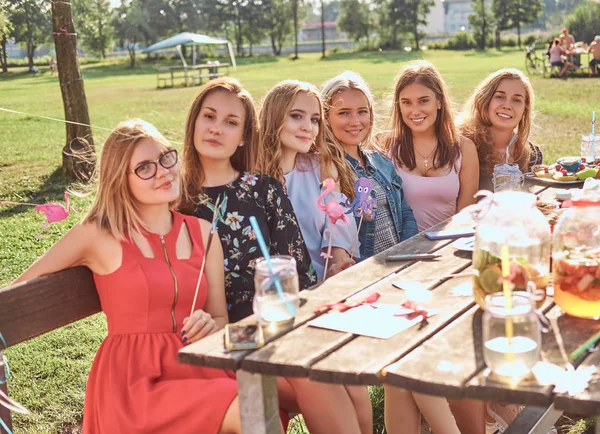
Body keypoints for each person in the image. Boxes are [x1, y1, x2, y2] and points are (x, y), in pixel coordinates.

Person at [13, 119, 248, 433]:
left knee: (262, 398)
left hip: (197, 368)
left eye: (166, 157)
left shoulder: (204, 234)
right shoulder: (98, 235)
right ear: (119, 179)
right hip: (134, 386)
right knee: (248, 408)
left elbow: (220, 318)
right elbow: (16, 293)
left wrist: (211, 324)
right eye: (145, 168)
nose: (163, 171)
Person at [178, 77, 372, 434]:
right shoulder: (176, 199)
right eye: (209, 117)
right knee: (316, 377)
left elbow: (299, 273)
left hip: (278, 323)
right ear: (194, 122)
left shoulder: (263, 190)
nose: (217, 129)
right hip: (223, 336)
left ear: (244, 135)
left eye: (231, 122)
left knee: (347, 377)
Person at [257, 79, 358, 280]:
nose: (308, 127)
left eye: (314, 120)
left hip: (325, 284)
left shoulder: (321, 165)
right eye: (296, 116)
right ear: (274, 117)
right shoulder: (253, 179)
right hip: (280, 290)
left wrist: (338, 261)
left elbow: (337, 222)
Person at [321, 71, 418, 260]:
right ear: (326, 117)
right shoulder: (327, 170)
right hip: (365, 276)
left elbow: (405, 213)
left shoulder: (381, 162)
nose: (355, 122)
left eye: (362, 111)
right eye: (344, 113)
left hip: (401, 265)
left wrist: (409, 251)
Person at [382, 60, 479, 232]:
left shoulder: (464, 148)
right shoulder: (384, 146)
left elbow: (466, 218)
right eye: (406, 102)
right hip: (398, 250)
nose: (415, 111)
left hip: (446, 247)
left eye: (423, 101)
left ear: (439, 102)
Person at [458, 68, 543, 192]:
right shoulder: (460, 146)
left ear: (525, 109)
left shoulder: (532, 155)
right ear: (485, 100)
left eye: (516, 100)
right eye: (500, 96)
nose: (507, 106)